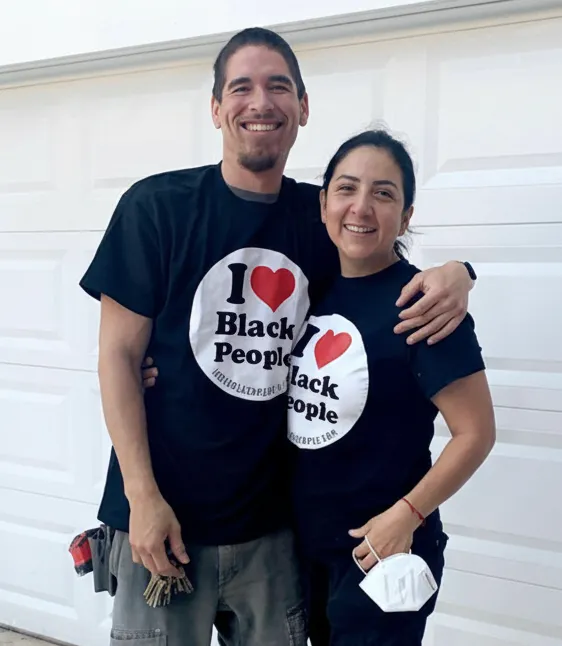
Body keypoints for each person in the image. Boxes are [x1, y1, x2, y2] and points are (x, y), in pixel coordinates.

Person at [80, 26, 477, 646]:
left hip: (272, 532)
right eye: (241, 87)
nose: (260, 102)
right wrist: (141, 498)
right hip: (161, 522)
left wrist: (461, 274)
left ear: (302, 107)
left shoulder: (317, 220)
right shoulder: (155, 208)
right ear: (216, 108)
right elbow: (117, 357)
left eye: (279, 87)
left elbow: (376, 254)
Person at [285, 129, 496, 645]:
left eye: (383, 193)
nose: (361, 207)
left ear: (406, 216)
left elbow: (476, 433)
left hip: (385, 550)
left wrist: (407, 516)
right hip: (302, 546)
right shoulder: (310, 290)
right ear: (323, 202)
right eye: (347, 188)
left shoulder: (423, 305)